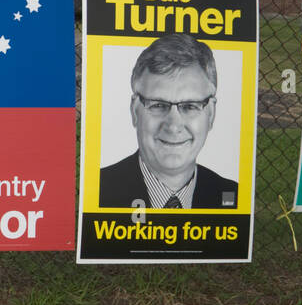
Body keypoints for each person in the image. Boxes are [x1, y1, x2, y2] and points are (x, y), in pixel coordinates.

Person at [98, 32, 238, 209]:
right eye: (158, 105)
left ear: (211, 114)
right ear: (135, 111)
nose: (173, 126)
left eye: (190, 106)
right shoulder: (99, 191)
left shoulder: (232, 196)